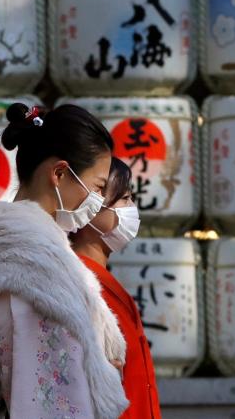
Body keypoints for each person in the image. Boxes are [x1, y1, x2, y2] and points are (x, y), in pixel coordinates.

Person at [0, 103, 130, 419]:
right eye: (97, 187)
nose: (96, 204)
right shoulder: (30, 270)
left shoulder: (11, 255)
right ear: (59, 173)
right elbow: (48, 403)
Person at [71, 158, 162, 419]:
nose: (131, 209)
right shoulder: (81, 284)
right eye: (122, 199)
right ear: (87, 209)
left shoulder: (102, 280)